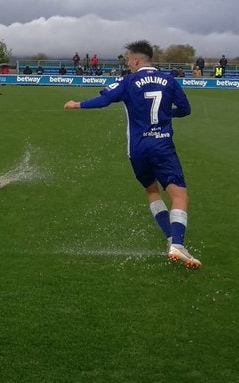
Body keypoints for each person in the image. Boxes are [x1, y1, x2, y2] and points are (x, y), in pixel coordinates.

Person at [63, 39, 199, 268]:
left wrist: (77, 104)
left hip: (136, 150)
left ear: (136, 60)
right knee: (179, 196)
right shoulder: (169, 80)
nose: (128, 64)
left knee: (152, 191)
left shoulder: (128, 81)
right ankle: (178, 244)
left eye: (128, 60)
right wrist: (168, 115)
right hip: (162, 146)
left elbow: (104, 99)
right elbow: (186, 109)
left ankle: (170, 240)